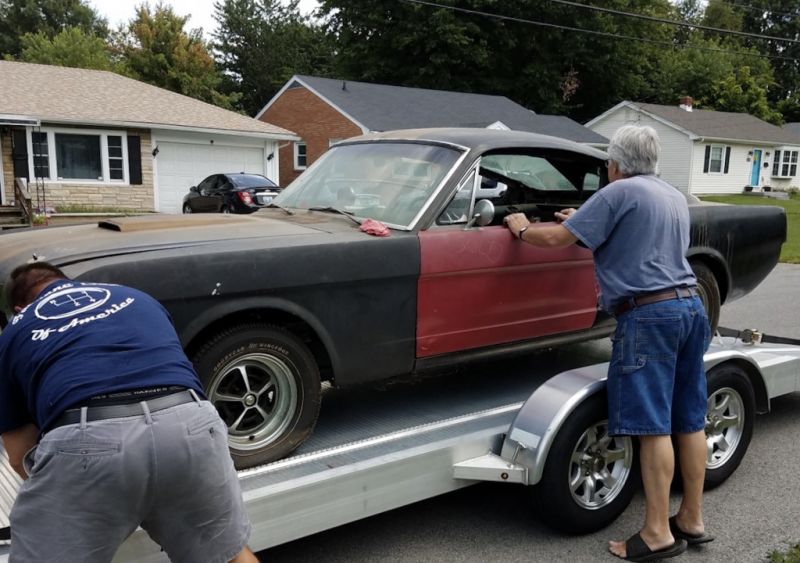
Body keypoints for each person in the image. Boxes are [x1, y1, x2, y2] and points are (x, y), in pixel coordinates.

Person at [504, 125, 713, 562]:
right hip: (691, 307)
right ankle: (691, 518)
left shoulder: (617, 193)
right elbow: (634, 235)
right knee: (689, 418)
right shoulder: (671, 194)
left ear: (615, 163)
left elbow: (558, 240)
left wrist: (523, 229)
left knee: (652, 427)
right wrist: (580, 222)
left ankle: (657, 533)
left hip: (649, 315)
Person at [0, 262, 258, 563]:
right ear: (67, 281)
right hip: (191, 421)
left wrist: (88, 497)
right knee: (228, 557)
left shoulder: (15, 331)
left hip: (88, 438)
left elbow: (19, 455)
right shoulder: (137, 297)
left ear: (19, 308)